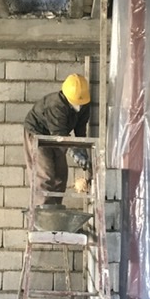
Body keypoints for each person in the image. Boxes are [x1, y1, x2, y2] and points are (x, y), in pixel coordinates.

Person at [23, 73, 91, 205]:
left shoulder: (84, 103)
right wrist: (74, 151)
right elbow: (59, 135)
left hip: (58, 136)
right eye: (76, 102)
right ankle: (43, 211)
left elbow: (80, 129)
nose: (79, 106)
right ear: (67, 97)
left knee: (61, 175)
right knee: (45, 175)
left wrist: (82, 149)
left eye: (81, 103)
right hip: (38, 133)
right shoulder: (56, 105)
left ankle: (55, 209)